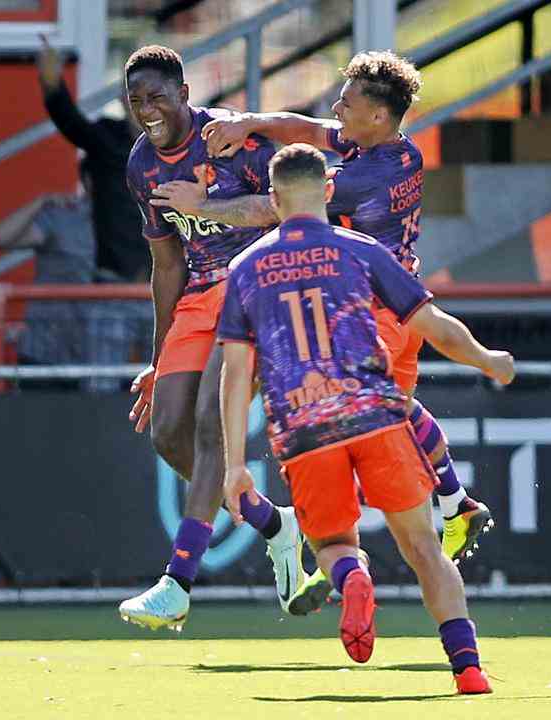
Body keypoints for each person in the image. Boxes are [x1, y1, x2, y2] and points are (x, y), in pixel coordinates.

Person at [200, 50, 493, 611]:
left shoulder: (361, 177)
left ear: (377, 116)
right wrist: (252, 122)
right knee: (391, 414)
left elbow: (280, 207)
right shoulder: (395, 149)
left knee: (353, 416)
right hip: (401, 296)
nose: (337, 109)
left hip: (372, 309)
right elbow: (309, 129)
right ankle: (449, 504)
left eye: (348, 102)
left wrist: (204, 206)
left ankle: (348, 555)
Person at [219, 143, 510, 693]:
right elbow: (436, 325)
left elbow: (236, 374)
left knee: (330, 544)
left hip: (303, 428)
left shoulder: (244, 268)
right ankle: (467, 667)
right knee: (424, 546)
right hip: (376, 413)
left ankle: (351, 577)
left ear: (273, 200)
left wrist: (235, 463)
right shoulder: (364, 250)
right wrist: (488, 360)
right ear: (328, 191)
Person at [116, 45, 303, 631]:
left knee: (207, 425)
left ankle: (177, 583)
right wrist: (158, 357)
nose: (148, 109)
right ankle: (278, 525)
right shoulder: (141, 165)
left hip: (256, 287)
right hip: (199, 297)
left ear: (184, 95)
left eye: (158, 96)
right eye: (136, 99)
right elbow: (166, 264)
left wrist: (210, 205)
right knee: (169, 433)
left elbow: (285, 207)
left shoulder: (228, 138)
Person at [36, 34, 146, 283]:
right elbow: (70, 122)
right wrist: (51, 84)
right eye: (133, 95)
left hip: (162, 284)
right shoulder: (107, 137)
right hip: (112, 278)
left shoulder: (178, 146)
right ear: (122, 99)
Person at [0, 168, 96, 386]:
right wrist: (41, 202)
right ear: (87, 180)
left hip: (103, 351)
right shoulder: (62, 217)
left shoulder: (139, 221)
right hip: (45, 346)